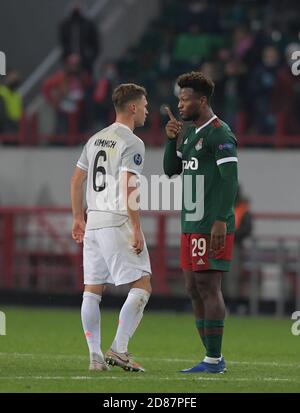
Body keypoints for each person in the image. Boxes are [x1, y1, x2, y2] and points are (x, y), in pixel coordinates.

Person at [71, 83, 152, 372]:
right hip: (116, 219)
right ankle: (119, 349)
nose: (147, 109)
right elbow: (129, 184)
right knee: (142, 284)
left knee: (91, 290)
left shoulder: (95, 139)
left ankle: (95, 358)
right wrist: (136, 227)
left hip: (93, 222)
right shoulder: (132, 142)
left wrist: (78, 218)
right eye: (144, 104)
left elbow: (76, 180)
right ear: (132, 107)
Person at [163, 71, 238, 373]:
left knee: (209, 285)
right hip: (190, 223)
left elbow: (230, 180)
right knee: (193, 287)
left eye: (185, 99)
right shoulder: (191, 133)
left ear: (202, 100)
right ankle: (212, 358)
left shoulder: (219, 133)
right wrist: (171, 140)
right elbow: (170, 170)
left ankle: (213, 360)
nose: (179, 105)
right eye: (178, 99)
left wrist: (221, 219)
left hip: (212, 224)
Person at [0, 70, 23, 134]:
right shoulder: (2, 92)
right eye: (12, 78)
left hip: (16, 126)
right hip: (5, 127)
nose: (14, 81)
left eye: (16, 79)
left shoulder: (16, 94)